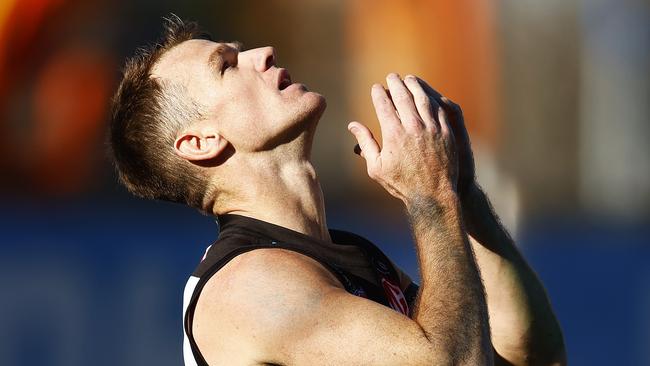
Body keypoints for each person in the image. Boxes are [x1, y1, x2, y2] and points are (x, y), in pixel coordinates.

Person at [110, 16, 566, 366]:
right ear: (201, 142)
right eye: (227, 66)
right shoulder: (246, 284)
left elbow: (529, 355)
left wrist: (461, 193)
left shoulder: (350, 254)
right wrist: (430, 196)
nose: (262, 53)